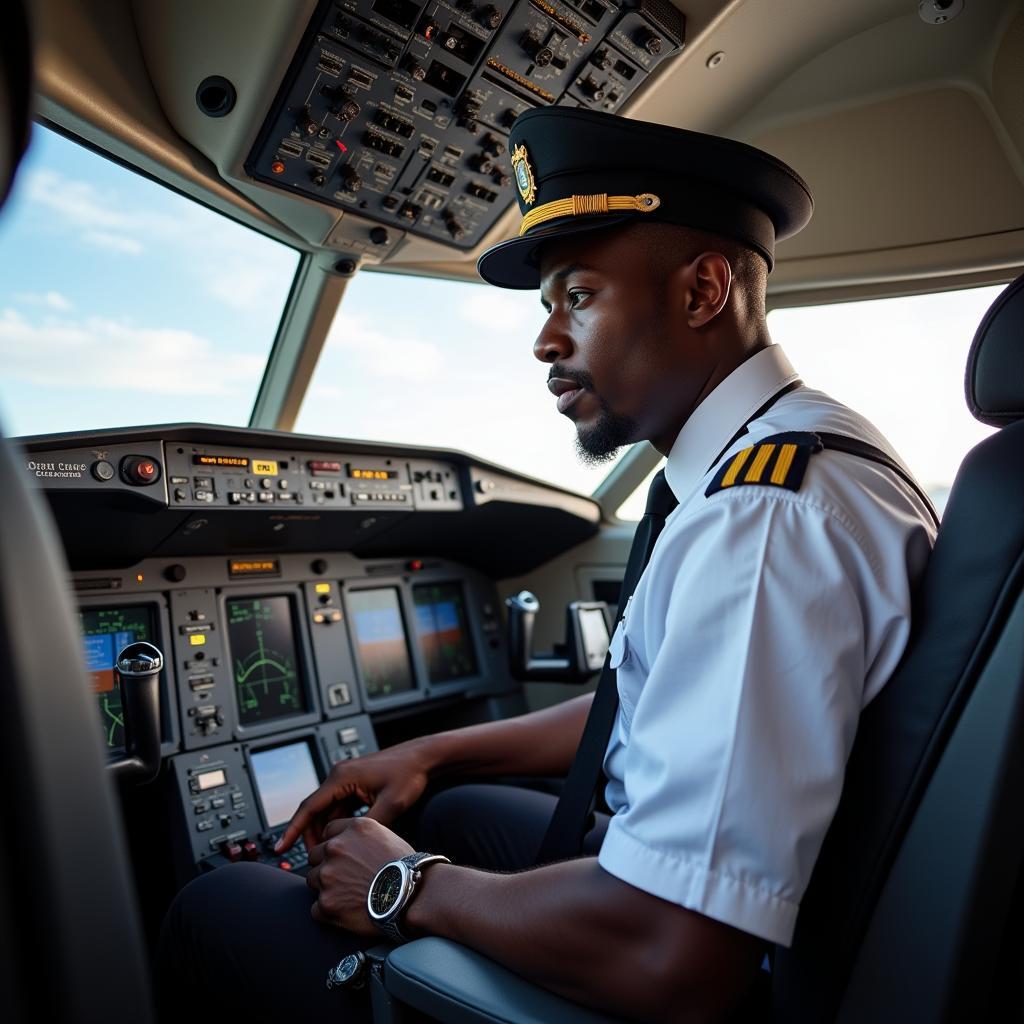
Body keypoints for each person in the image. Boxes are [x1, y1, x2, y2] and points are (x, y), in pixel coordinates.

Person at [157, 107, 936, 1022]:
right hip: (815, 918)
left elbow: (673, 956)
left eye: (579, 296)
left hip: (736, 977)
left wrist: (403, 887)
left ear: (703, 290)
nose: (546, 339)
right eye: (547, 306)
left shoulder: (759, 524)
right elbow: (653, 695)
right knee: (448, 806)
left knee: (218, 907)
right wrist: (433, 751)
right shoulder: (800, 449)